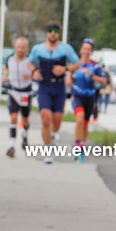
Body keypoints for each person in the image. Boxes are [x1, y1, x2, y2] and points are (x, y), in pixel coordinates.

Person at [28, 22, 79, 165]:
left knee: (56, 123)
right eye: (50, 31)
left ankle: (52, 135)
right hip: (44, 86)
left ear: (58, 33)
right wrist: (34, 71)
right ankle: (48, 151)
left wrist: (66, 69)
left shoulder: (66, 48)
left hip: (59, 87)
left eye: (55, 31)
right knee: (45, 119)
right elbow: (29, 62)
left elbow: (77, 63)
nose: (52, 33)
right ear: (47, 33)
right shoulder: (38, 49)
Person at [70, 38, 107, 161]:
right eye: (84, 49)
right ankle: (77, 145)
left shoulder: (95, 65)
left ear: (91, 51)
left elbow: (104, 81)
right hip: (78, 95)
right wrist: (68, 79)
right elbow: (69, 76)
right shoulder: (75, 64)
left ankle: (82, 148)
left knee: (85, 123)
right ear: (81, 50)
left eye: (88, 49)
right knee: (79, 119)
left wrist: (91, 75)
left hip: (90, 96)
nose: (86, 51)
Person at [4, 36, 33, 158]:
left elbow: (35, 73)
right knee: (13, 117)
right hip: (13, 91)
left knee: (25, 119)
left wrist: (30, 76)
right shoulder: (10, 59)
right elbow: (6, 70)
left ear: (26, 48)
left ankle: (25, 137)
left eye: (23, 47)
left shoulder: (29, 61)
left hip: (26, 93)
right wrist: (5, 77)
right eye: (18, 47)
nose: (20, 50)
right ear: (15, 47)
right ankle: (12, 145)